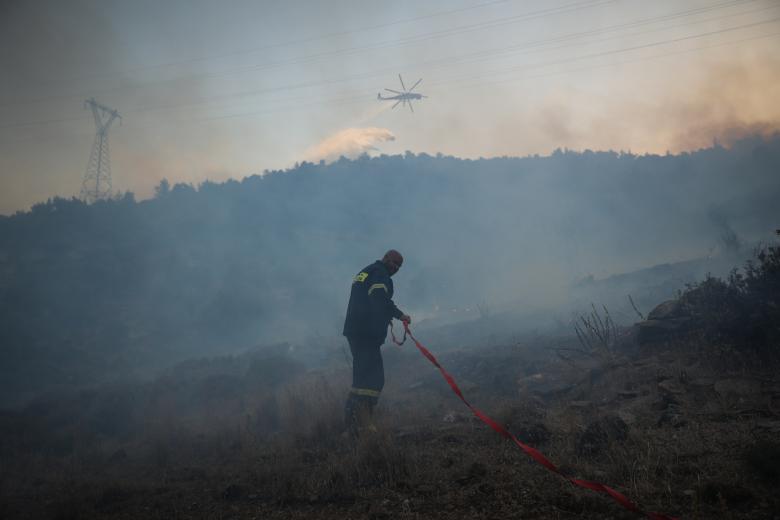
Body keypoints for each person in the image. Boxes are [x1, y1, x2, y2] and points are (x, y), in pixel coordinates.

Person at [342, 249, 411, 436]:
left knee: (360, 380)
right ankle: (363, 425)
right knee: (373, 381)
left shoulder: (366, 271)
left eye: (399, 266)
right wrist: (399, 315)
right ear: (386, 258)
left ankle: (350, 424)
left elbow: (370, 300)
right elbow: (379, 298)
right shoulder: (379, 273)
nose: (396, 268)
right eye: (394, 263)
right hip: (365, 334)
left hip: (357, 332)